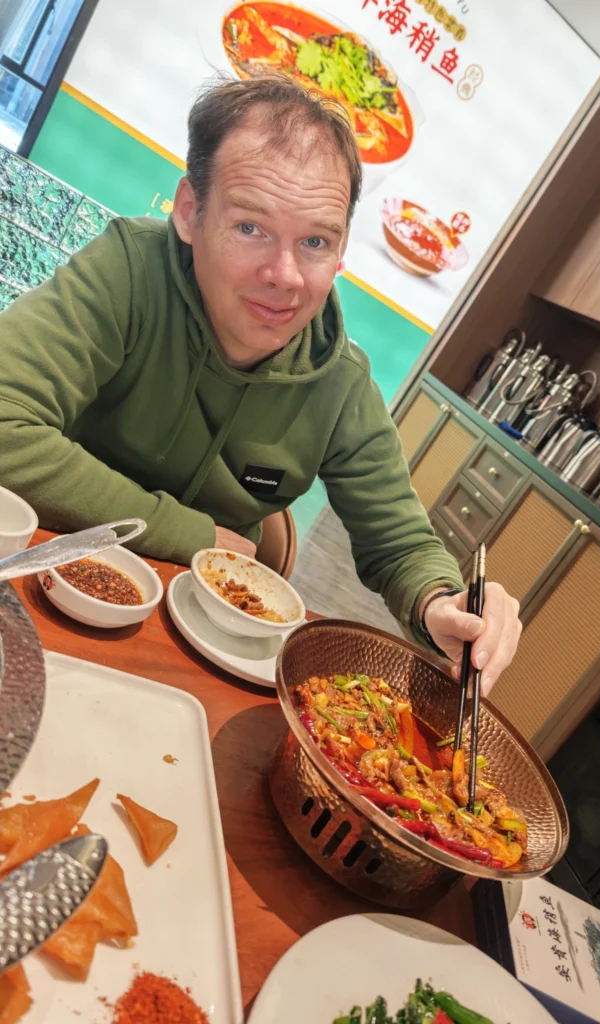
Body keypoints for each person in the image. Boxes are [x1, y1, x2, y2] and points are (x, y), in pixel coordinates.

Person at [0, 73, 521, 693]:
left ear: (342, 250)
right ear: (191, 211)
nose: (285, 276)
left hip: (192, 644)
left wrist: (444, 605)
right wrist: (183, 533)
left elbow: (402, 543)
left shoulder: (340, 382)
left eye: (314, 242)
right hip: (42, 577)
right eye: (250, 228)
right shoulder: (130, 273)